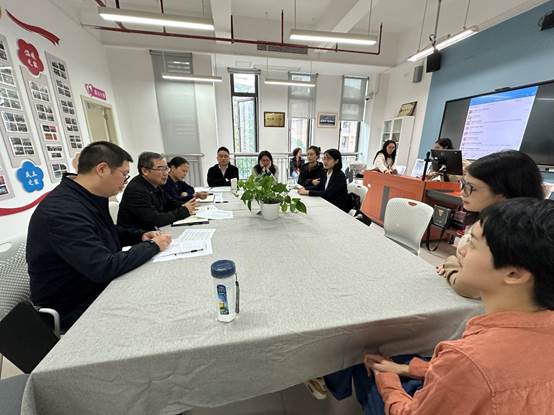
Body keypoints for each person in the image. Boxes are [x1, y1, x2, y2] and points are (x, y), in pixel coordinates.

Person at [364, 198, 554, 415]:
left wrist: (386, 379)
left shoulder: (468, 359)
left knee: (364, 367)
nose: (460, 250)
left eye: (472, 243)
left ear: (513, 274)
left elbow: (467, 372)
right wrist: (406, 369)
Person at [27, 141, 172, 331]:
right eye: (124, 175)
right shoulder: (61, 211)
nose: (125, 181)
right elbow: (103, 267)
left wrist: (141, 236)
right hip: (74, 306)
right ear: (102, 169)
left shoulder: (86, 196)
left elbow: (106, 231)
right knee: (161, 311)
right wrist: (153, 246)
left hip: (95, 286)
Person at [437, 150, 544, 299]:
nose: (462, 192)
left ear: (503, 193)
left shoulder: (508, 233)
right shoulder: (484, 218)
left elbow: (468, 286)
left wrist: (451, 263)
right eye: (463, 184)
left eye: (471, 187)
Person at [117, 152, 197, 230]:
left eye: (166, 168)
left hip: (154, 232)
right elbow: (154, 219)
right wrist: (184, 210)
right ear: (145, 171)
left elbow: (170, 202)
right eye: (161, 169)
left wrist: (188, 206)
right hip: (139, 236)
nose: (166, 173)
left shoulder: (155, 184)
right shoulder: (136, 190)